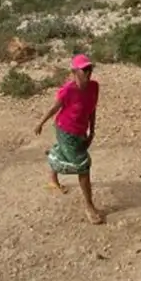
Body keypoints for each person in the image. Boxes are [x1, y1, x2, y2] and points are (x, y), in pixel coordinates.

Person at [35, 53, 104, 224]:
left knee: (61, 151)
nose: (88, 73)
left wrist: (92, 131)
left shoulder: (94, 87)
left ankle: (52, 178)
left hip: (80, 131)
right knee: (83, 166)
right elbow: (54, 109)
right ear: (74, 72)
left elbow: (92, 109)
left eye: (90, 69)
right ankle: (89, 206)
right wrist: (40, 123)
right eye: (84, 70)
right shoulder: (68, 90)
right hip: (65, 130)